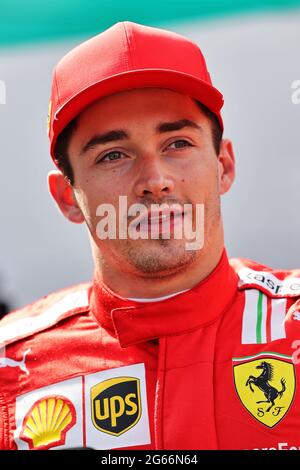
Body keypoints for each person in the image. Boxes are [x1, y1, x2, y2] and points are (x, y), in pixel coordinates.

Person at [0, 21, 299, 451]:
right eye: (113, 155)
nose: (155, 181)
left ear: (224, 166)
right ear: (68, 197)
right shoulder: (12, 364)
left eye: (177, 143)